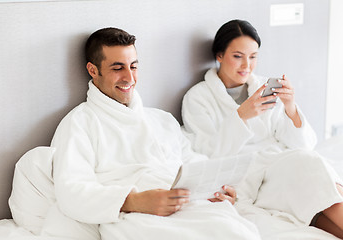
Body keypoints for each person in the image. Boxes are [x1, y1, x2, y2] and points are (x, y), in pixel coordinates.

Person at [48, 27, 261, 240]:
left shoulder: (161, 120)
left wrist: (217, 190)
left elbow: (193, 164)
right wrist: (134, 201)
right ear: (93, 70)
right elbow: (71, 192)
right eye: (117, 68)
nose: (129, 77)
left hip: (191, 206)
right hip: (137, 216)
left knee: (238, 232)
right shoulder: (79, 123)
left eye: (133, 66)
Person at [181, 20, 343, 238]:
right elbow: (207, 152)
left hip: (281, 162)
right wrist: (241, 116)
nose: (246, 65)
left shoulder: (264, 86)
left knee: (312, 174)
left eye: (253, 56)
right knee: (312, 177)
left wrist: (290, 108)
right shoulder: (198, 98)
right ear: (219, 55)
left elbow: (304, 144)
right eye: (238, 56)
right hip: (248, 178)